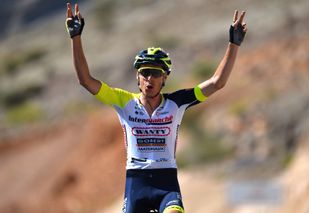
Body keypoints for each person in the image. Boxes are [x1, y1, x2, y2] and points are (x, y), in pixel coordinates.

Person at [65, 3, 247, 213]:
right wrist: (75, 37)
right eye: (145, 72)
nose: (150, 78)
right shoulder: (124, 102)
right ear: (138, 77)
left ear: (165, 78)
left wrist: (234, 44)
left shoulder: (177, 102)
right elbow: (85, 80)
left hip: (166, 184)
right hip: (136, 185)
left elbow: (217, 83)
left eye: (156, 73)